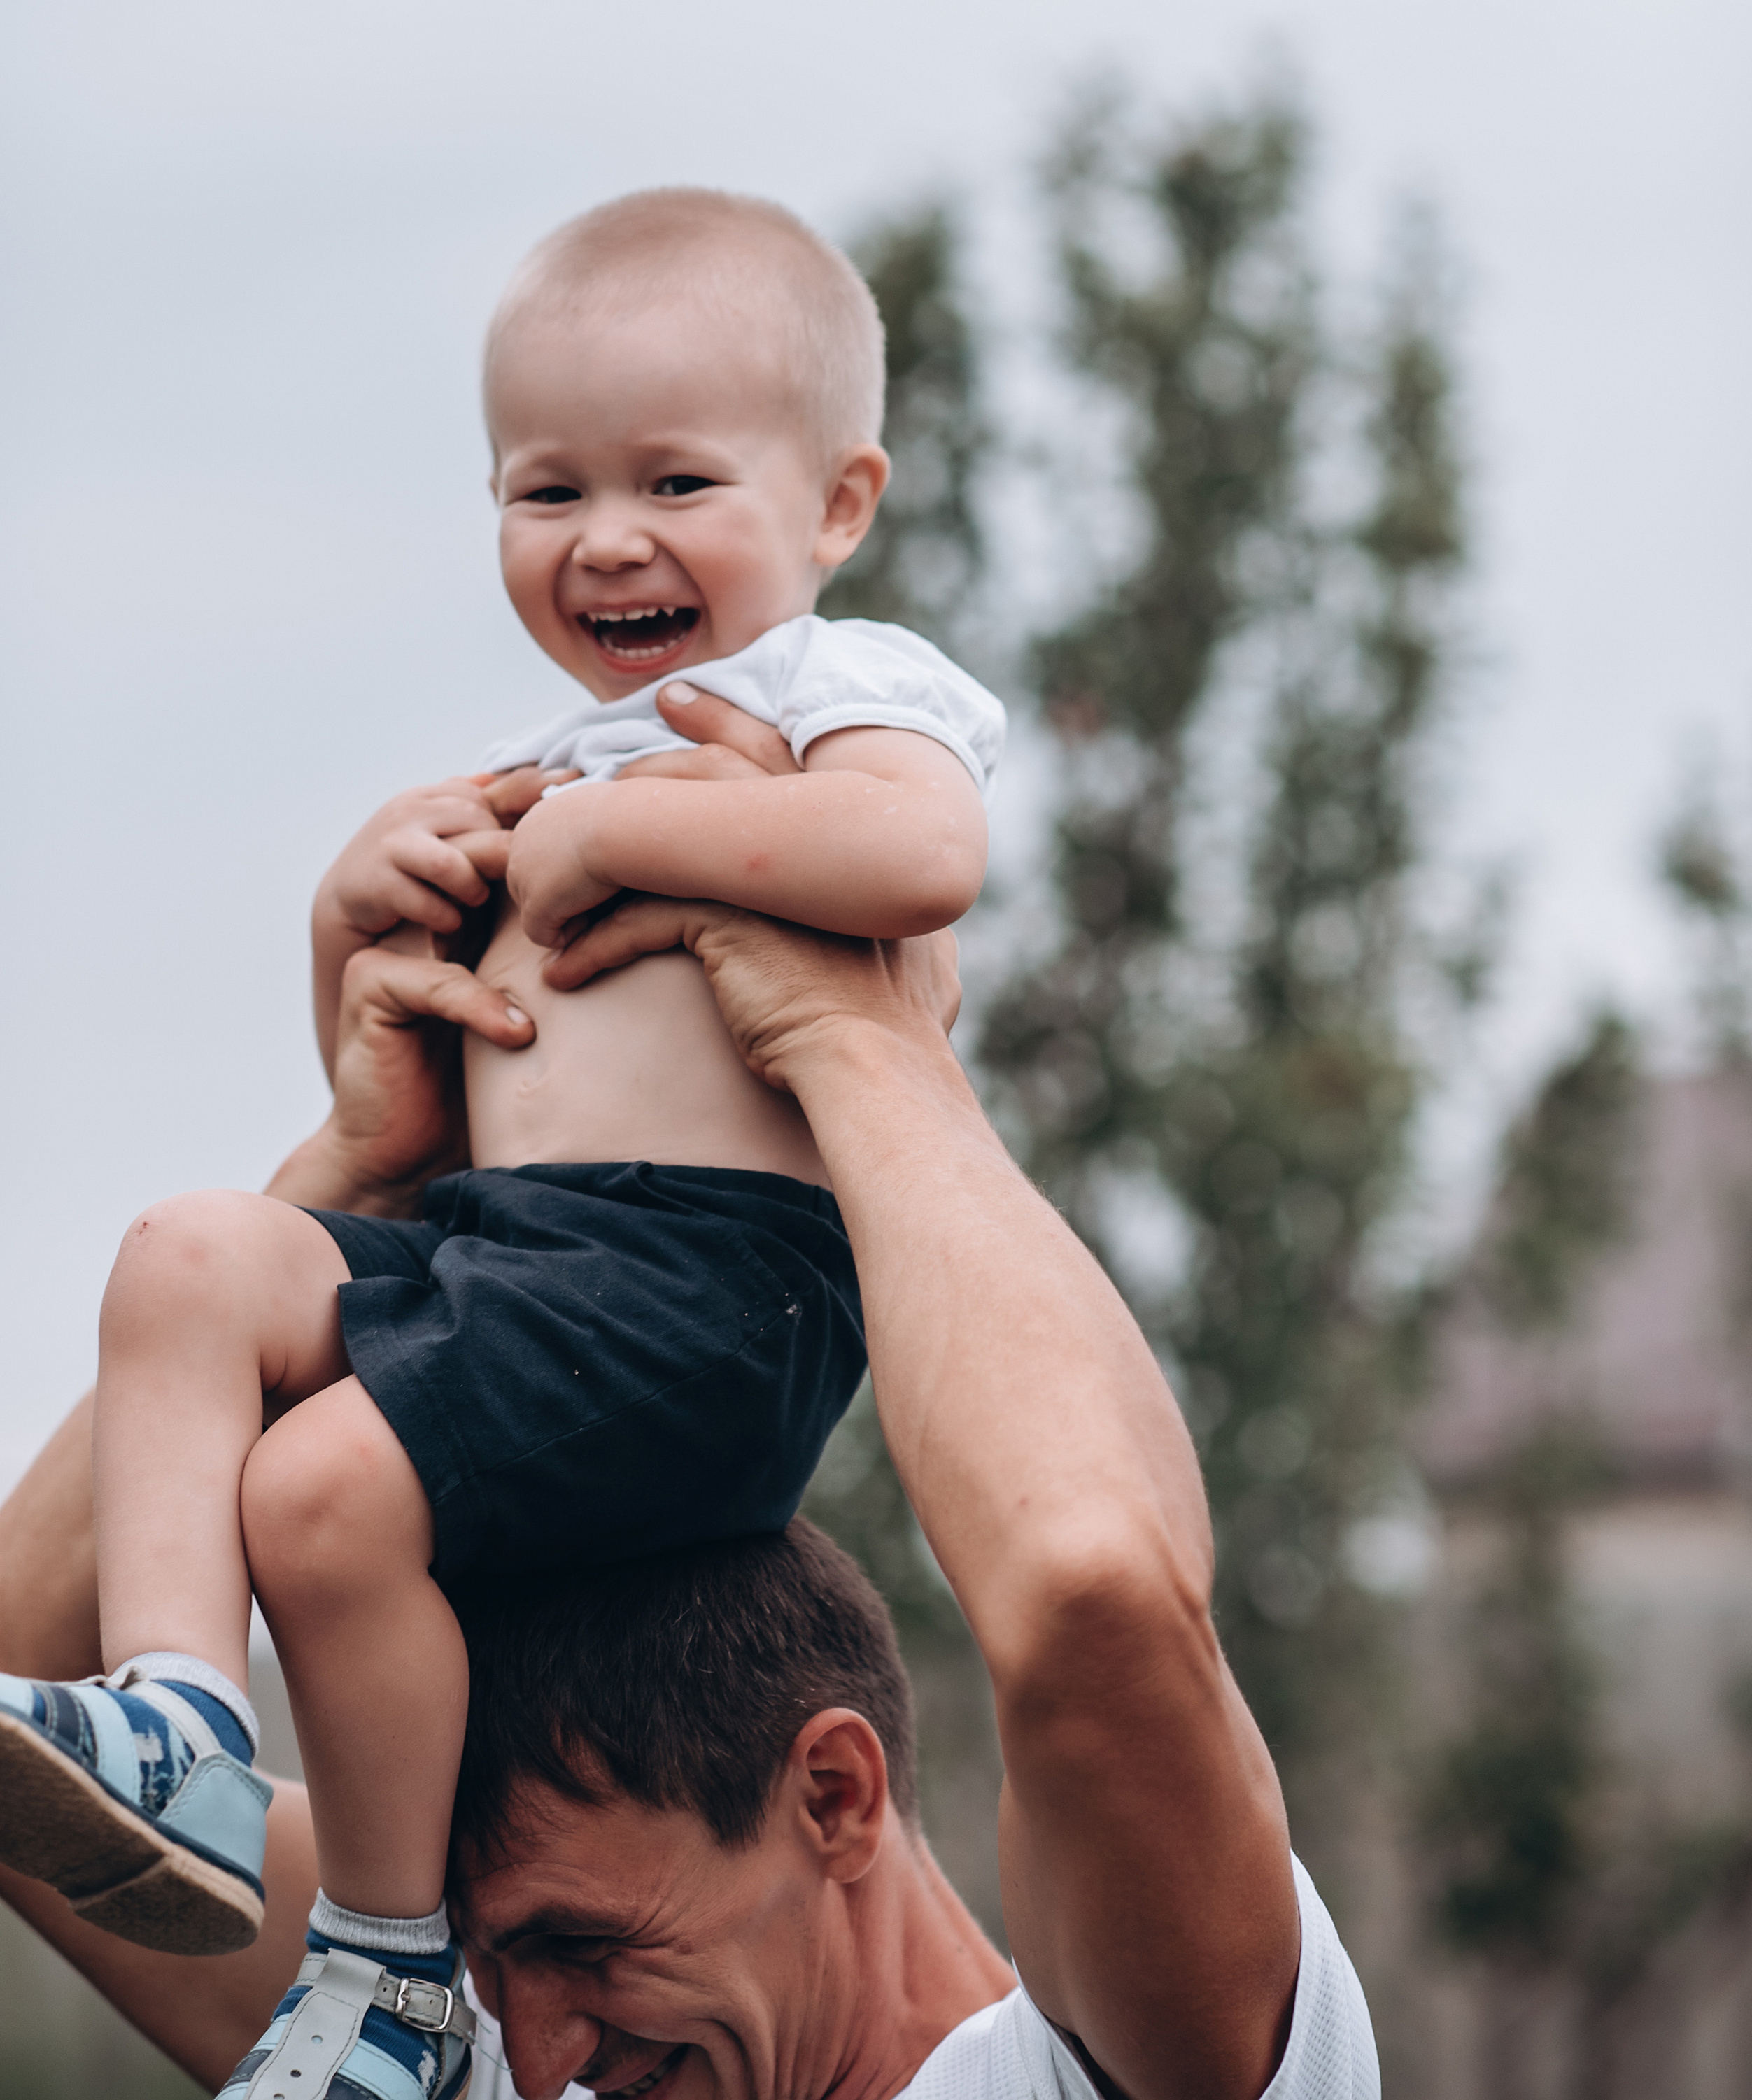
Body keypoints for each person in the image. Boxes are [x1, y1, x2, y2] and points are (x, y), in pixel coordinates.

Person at [0, 696, 1378, 2100]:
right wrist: (360, 1183)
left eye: (575, 1944)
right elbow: (30, 1728)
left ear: (832, 1795)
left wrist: (851, 1037)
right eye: (479, 1969)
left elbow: (1093, 1590)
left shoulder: (1114, 2076)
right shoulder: (450, 2058)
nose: (531, 2064)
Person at [0, 190, 1003, 2100]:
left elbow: (924, 857)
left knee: (320, 1499)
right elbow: (473, 1096)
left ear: (841, 505)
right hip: (515, 1249)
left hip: (710, 1291)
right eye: (546, 493)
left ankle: (381, 1969)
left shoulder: (826, 697)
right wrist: (360, 934)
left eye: (678, 481)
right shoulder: (564, 755)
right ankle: (182, 1726)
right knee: (186, 1257)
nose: (608, 537)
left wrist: (638, 840)